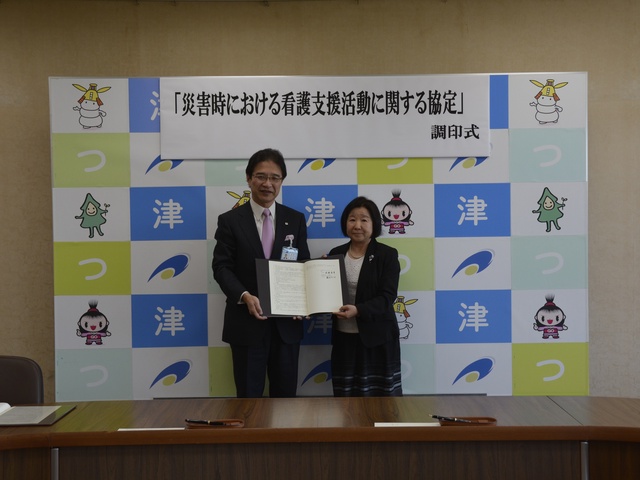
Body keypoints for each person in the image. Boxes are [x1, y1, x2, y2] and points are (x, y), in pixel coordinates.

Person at [212, 148, 310, 398]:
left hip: (286, 327)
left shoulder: (295, 219)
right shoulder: (230, 221)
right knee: (248, 399)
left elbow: (303, 264)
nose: (268, 184)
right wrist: (244, 295)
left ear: (282, 181)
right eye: (261, 176)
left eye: (275, 177)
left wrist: (305, 300)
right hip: (246, 325)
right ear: (249, 178)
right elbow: (222, 267)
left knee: (286, 402)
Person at [328, 196, 403, 396]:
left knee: (380, 399)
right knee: (346, 398)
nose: (357, 225)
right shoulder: (335, 253)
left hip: (377, 339)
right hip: (344, 337)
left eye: (364, 220)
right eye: (352, 219)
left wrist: (358, 310)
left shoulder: (387, 255)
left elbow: (387, 297)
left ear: (374, 224)